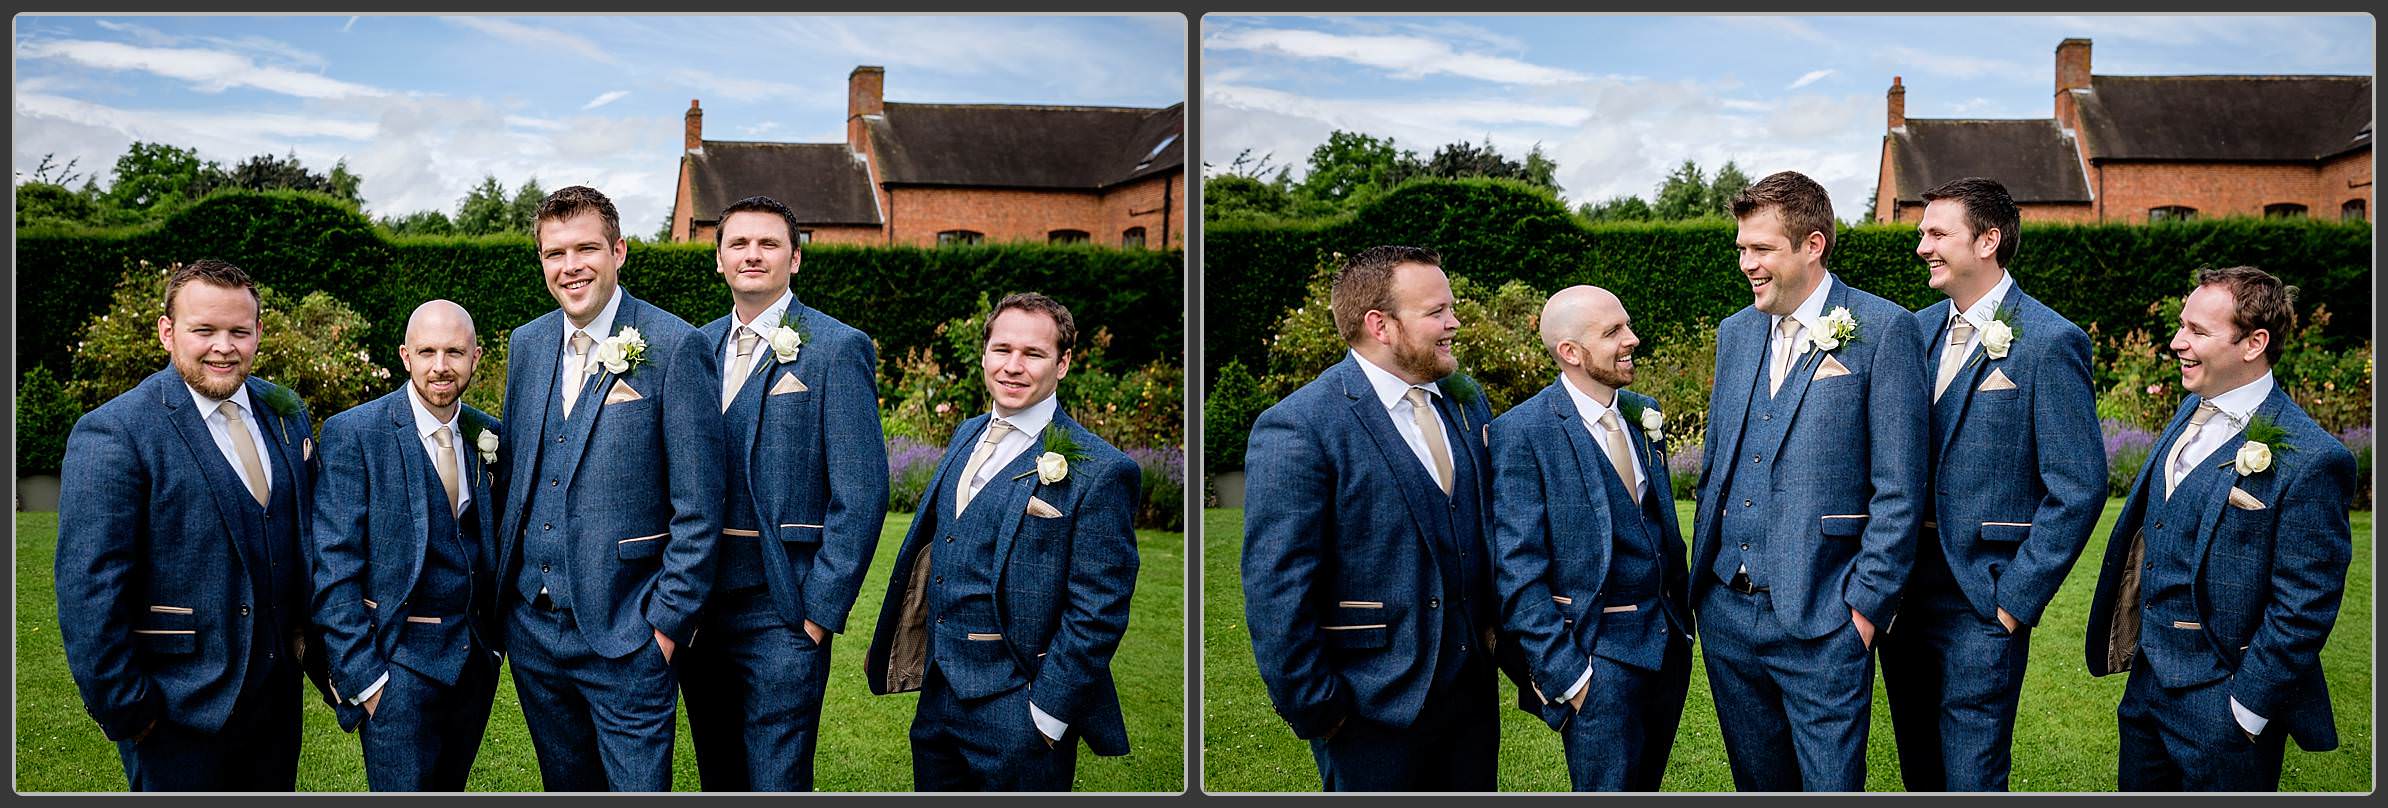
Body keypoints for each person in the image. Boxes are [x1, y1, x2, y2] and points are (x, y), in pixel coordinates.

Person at [1690, 171, 1927, 791]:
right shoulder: (1736, 333)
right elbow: (1720, 461)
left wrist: (1865, 609)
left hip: (1826, 615)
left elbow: (1899, 487)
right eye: (1742, 248)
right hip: (1727, 611)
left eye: (1761, 248)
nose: (1747, 264)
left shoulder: (1883, 329)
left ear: (1813, 245)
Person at [56, 259, 331, 790]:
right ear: (167, 332)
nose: (223, 347)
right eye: (203, 330)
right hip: (176, 710)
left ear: (258, 333)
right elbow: (90, 589)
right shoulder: (115, 432)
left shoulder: (284, 412)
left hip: (275, 704)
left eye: (238, 331)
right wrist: (131, 712)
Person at [1241, 246, 1502, 791]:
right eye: (1436, 312)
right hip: (1369, 707)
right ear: (1379, 325)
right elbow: (1277, 586)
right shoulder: (1300, 426)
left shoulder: (1464, 403)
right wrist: (1321, 709)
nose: (1454, 323)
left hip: (1471, 699)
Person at [2084, 266, 2355, 791]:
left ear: (2254, 342)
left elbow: (2305, 603)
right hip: (2146, 692)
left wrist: (2246, 709)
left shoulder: (2314, 460)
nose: (2177, 342)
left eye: (2198, 332)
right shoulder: (2190, 411)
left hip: (2225, 706)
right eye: (2182, 325)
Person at [1877, 176, 2105, 791]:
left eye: (1936, 233)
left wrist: (2013, 602)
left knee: (1973, 775)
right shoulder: (1911, 331)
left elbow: (2078, 486)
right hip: (1901, 593)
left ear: (1988, 240)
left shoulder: (2050, 341)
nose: (1921, 245)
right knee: (1919, 770)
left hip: (1982, 596)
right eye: (1922, 232)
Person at [497, 185, 726, 791]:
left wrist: (664, 628)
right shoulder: (527, 344)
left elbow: (699, 507)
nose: (570, 266)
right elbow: (524, 472)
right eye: (554, 253)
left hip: (629, 634)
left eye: (586, 249)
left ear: (618, 251)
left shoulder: (676, 346)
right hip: (534, 633)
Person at [863, 293, 1140, 791]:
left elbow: (1099, 608)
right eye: (1002, 350)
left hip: (1021, 711)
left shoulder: (1102, 471)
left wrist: (1046, 716)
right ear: (985, 354)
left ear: (1064, 362)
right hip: (938, 699)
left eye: (1033, 354)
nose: (1013, 367)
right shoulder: (966, 435)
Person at [682, 195, 888, 791]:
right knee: (718, 772)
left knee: (777, 778)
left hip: (784, 607)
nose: (753, 254)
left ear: (794, 260)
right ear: (718, 260)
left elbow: (862, 492)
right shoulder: (695, 348)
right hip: (700, 604)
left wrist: (818, 615)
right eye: (738, 243)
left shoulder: (836, 348)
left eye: (768, 243)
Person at [1488, 285, 1694, 791]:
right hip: (1597, 660)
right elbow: (1517, 568)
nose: (1633, 339)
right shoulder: (1523, 432)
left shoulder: (1643, 411)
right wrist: (1568, 676)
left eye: (1626, 325)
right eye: (1613, 332)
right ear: (1570, 353)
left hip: (1667, 648)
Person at [308, 300, 506, 791]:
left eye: (455, 352)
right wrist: (366, 680)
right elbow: (333, 565)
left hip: (472, 665)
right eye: (427, 351)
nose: (441, 366)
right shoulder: (354, 434)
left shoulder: (490, 434)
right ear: (405, 356)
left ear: (476, 357)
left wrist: (494, 651)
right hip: (396, 667)